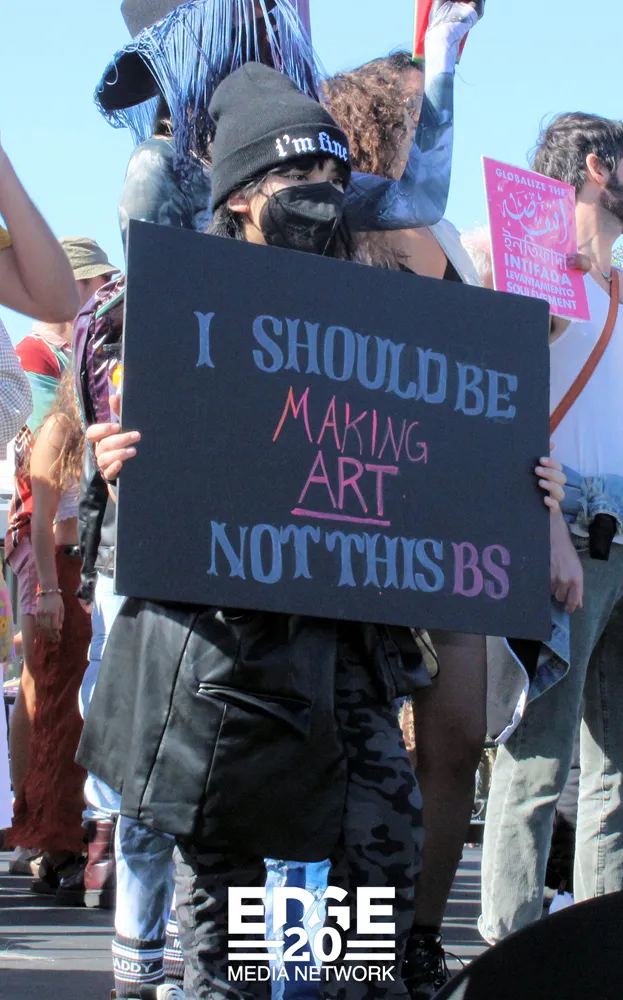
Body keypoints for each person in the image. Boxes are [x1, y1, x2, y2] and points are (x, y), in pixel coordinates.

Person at [82, 64, 565, 1000]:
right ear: (239, 196)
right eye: (297, 179)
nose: (321, 197)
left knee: (366, 890)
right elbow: (128, 512)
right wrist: (115, 468)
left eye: (335, 179)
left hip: (348, 671)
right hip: (222, 675)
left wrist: (515, 489)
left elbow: (435, 463)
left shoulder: (383, 327)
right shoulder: (173, 314)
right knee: (237, 930)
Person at [479, 112, 623, 944]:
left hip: (612, 525)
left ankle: (597, 953)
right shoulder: (531, 276)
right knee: (539, 755)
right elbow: (506, 409)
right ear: (599, 167)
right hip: (566, 518)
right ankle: (508, 946)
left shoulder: (611, 284)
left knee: (615, 775)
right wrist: (546, 533)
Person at [99, 0, 485, 241]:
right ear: (193, 57)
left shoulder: (288, 163)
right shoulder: (159, 166)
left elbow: (419, 202)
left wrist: (442, 45)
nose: (272, 43)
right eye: (244, 33)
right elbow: (160, 316)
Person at [6, 237, 118, 877]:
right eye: (95, 283)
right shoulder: (36, 356)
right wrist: (48, 586)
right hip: (50, 546)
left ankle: (57, 830)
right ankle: (42, 830)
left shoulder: (85, 357)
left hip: (83, 552)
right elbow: (41, 480)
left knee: (72, 694)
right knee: (47, 691)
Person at [7, 368, 92, 893]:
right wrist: (48, 591)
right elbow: (40, 522)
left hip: (93, 574)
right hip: (62, 571)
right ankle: (55, 841)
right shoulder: (61, 427)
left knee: (83, 713)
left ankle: (72, 839)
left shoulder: (105, 424)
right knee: (58, 710)